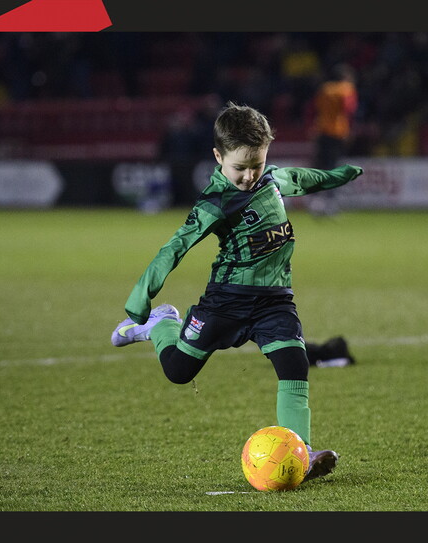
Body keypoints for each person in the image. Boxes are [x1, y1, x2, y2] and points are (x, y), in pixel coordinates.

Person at [111, 102, 364, 482]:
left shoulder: (271, 180)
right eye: (239, 168)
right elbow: (176, 246)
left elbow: (303, 178)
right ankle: (162, 324)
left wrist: (337, 176)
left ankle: (303, 453)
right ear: (218, 157)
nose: (248, 176)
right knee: (179, 372)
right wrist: (141, 295)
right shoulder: (215, 202)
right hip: (225, 301)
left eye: (256, 165)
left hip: (275, 300)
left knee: (294, 365)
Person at [307, 63, 359, 217]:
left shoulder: (325, 89)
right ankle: (330, 203)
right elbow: (349, 110)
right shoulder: (347, 89)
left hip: (322, 130)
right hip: (338, 132)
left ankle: (316, 201)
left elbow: (314, 109)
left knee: (320, 165)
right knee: (334, 166)